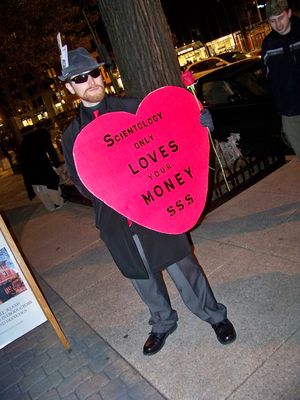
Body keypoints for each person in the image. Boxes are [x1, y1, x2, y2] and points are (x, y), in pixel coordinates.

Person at [59, 47, 236, 356]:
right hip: (117, 220)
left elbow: (173, 136)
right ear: (70, 88)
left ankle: (214, 315)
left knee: (184, 266)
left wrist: (201, 122)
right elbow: (82, 183)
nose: (91, 81)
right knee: (142, 278)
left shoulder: (132, 108)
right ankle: (163, 322)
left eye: (94, 73)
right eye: (80, 78)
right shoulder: (72, 135)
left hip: (157, 206)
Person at [261, 0, 300, 159]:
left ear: (289, 13)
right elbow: (269, 78)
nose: (278, 24)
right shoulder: (268, 44)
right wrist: (281, 105)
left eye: (281, 17)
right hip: (290, 112)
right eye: (272, 20)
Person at [20, 123, 66, 211]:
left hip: (28, 169)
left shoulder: (25, 141)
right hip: (41, 165)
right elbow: (51, 151)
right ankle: (58, 202)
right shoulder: (42, 136)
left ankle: (49, 206)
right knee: (51, 181)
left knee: (39, 186)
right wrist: (57, 164)